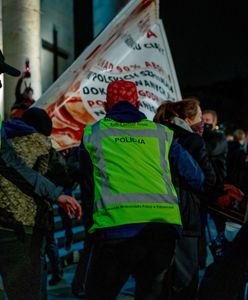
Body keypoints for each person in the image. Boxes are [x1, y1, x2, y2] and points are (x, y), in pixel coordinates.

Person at [81, 80, 205, 300]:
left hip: (116, 228)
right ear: (137, 103)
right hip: (162, 229)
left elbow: (83, 179)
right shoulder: (162, 133)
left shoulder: (93, 133)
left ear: (105, 105)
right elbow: (195, 177)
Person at [0, 50, 82, 300]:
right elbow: (12, 164)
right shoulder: (41, 143)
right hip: (21, 225)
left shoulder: (4, 130)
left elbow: (9, 161)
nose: (0, 82)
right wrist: (58, 191)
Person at [154, 99, 216, 300]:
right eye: (199, 117)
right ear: (188, 119)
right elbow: (208, 181)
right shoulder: (193, 141)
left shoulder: (156, 135)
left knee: (161, 280)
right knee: (185, 282)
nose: (202, 123)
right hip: (186, 216)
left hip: (157, 214)